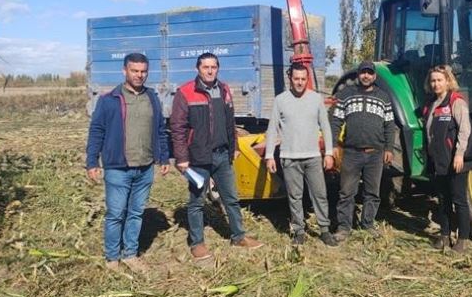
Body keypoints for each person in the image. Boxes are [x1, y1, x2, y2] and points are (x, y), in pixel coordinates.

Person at [170, 52, 262, 261]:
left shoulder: (224, 89)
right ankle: (197, 243)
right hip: (198, 158)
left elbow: (231, 121)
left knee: (231, 198)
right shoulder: (186, 92)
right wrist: (182, 157)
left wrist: (234, 146)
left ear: (218, 68)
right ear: (198, 69)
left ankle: (239, 237)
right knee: (197, 202)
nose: (210, 71)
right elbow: (177, 128)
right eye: (205, 67)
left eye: (214, 67)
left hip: (222, 155)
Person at [86, 53, 170, 272]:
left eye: (143, 71)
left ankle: (130, 254)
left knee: (135, 213)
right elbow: (96, 131)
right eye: (135, 71)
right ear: (125, 71)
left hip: (144, 167)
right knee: (115, 214)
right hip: (117, 168)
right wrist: (92, 162)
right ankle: (112, 258)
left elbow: (160, 129)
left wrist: (163, 157)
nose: (139, 75)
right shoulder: (109, 100)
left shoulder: (152, 97)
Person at [265, 62, 337, 247]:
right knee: (295, 196)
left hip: (313, 157)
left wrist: (328, 153)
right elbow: (272, 129)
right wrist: (269, 155)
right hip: (289, 158)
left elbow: (326, 127)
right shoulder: (280, 100)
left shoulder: (316, 99)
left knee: (319, 194)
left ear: (307, 79)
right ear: (290, 78)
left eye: (303, 79)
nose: (299, 82)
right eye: (296, 79)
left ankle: (324, 230)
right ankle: (298, 230)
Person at [330, 60, 395, 241]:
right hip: (352, 152)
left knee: (372, 193)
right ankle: (344, 227)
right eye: (363, 72)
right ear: (358, 74)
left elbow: (389, 124)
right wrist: (334, 144)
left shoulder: (384, 97)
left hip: (375, 153)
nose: (366, 75)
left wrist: (389, 147)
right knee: (346, 192)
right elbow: (335, 121)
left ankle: (367, 225)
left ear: (374, 76)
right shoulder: (346, 94)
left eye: (369, 73)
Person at [422, 65, 472, 253]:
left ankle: (463, 240)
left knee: (459, 200)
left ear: (448, 81)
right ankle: (444, 235)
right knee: (443, 199)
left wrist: (459, 154)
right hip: (438, 159)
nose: (436, 84)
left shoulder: (456, 101)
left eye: (439, 80)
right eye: (433, 81)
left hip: (455, 160)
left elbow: (465, 130)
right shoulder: (431, 104)